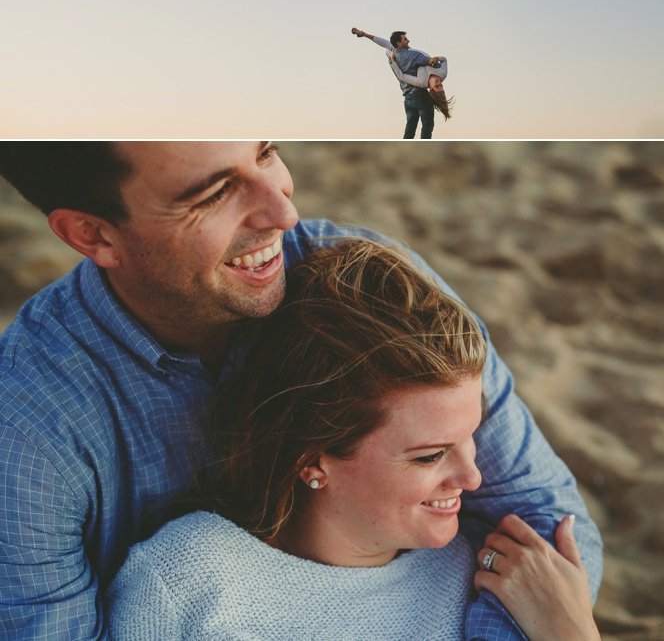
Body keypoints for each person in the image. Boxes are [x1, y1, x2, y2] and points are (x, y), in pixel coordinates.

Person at [0, 143, 603, 641]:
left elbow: (549, 522)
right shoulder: (29, 430)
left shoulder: (368, 289)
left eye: (267, 152)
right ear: (92, 233)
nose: (281, 214)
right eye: (213, 194)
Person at [105, 238, 599, 641]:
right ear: (312, 460)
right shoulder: (185, 579)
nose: (472, 477)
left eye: (471, 436)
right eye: (430, 455)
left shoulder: (491, 575)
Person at [352, 26, 453, 133]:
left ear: (431, 89)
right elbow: (445, 60)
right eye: (441, 86)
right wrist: (437, 58)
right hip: (410, 94)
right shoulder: (442, 73)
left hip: (413, 92)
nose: (439, 83)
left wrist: (392, 61)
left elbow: (402, 74)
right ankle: (363, 34)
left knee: (422, 126)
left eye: (437, 86)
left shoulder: (420, 79)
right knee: (416, 126)